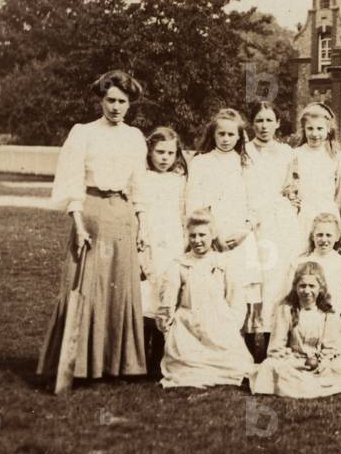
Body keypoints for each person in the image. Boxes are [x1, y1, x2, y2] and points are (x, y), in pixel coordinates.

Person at [38, 69, 149, 382]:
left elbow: (139, 183)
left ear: (130, 104)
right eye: (110, 99)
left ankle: (118, 365)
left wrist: (142, 223)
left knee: (120, 286)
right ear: (101, 99)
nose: (115, 106)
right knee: (87, 286)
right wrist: (79, 220)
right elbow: (71, 179)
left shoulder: (135, 137)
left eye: (122, 101)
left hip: (123, 214)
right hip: (92, 211)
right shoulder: (83, 133)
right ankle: (79, 363)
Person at [186, 108, 265, 359]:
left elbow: (257, 202)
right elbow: (195, 202)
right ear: (213, 134)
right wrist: (212, 235)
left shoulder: (246, 164)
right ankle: (212, 347)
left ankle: (241, 349)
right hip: (213, 237)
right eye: (221, 133)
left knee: (241, 292)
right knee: (214, 290)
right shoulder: (201, 162)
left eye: (232, 134)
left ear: (240, 136)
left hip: (241, 236)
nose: (226, 139)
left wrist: (245, 230)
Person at [157, 210, 254, 388]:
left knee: (235, 364)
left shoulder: (223, 262)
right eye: (192, 236)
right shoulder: (179, 264)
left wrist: (230, 325)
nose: (197, 240)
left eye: (202, 235)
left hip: (219, 324)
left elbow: (236, 299)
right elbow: (167, 301)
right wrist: (168, 328)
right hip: (189, 325)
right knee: (186, 365)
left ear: (213, 235)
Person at [251, 262, 341, 399]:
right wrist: (297, 363)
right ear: (295, 287)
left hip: (320, 362)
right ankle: (307, 384)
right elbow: (275, 348)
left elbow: (330, 346)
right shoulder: (286, 309)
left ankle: (307, 384)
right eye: (302, 286)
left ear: (320, 288)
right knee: (269, 366)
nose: (307, 291)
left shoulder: (327, 312)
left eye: (312, 286)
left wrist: (323, 361)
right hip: (293, 362)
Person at [245, 100, 300, 342]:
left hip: (278, 218)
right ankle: (250, 335)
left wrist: (292, 200)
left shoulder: (287, 152)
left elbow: (291, 186)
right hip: (251, 217)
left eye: (269, 120)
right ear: (251, 123)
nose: (264, 126)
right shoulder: (244, 151)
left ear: (277, 123)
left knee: (277, 274)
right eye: (259, 120)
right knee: (253, 274)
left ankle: (273, 336)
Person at [135, 126, 188, 380]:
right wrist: (141, 237)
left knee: (166, 294)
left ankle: (158, 356)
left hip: (173, 242)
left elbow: (182, 212)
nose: (165, 158)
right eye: (160, 152)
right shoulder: (142, 177)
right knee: (146, 295)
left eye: (170, 152)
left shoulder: (179, 180)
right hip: (150, 240)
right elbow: (140, 210)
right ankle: (139, 358)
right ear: (150, 152)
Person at [292, 213, 341, 356]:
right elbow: (290, 298)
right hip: (304, 327)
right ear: (312, 236)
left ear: (337, 237)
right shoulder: (299, 263)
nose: (324, 240)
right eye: (319, 235)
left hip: (336, 327)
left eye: (328, 235)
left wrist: (335, 330)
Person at [292, 103, 341, 259]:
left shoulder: (336, 156)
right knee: (301, 254)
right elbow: (292, 185)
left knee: (326, 256)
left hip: (327, 212)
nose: (315, 134)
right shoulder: (296, 154)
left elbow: (339, 190)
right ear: (304, 130)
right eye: (310, 129)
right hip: (303, 214)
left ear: (328, 129)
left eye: (320, 129)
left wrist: (336, 217)